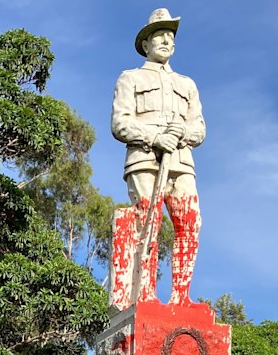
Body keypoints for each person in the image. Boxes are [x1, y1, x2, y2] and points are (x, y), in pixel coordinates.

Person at [110, 8, 205, 307]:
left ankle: (181, 297)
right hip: (145, 159)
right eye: (159, 35)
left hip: (181, 162)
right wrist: (154, 138)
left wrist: (180, 135)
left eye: (169, 36)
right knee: (147, 223)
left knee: (190, 222)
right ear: (146, 44)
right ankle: (145, 294)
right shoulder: (130, 78)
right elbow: (120, 123)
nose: (165, 40)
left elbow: (199, 127)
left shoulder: (187, 84)